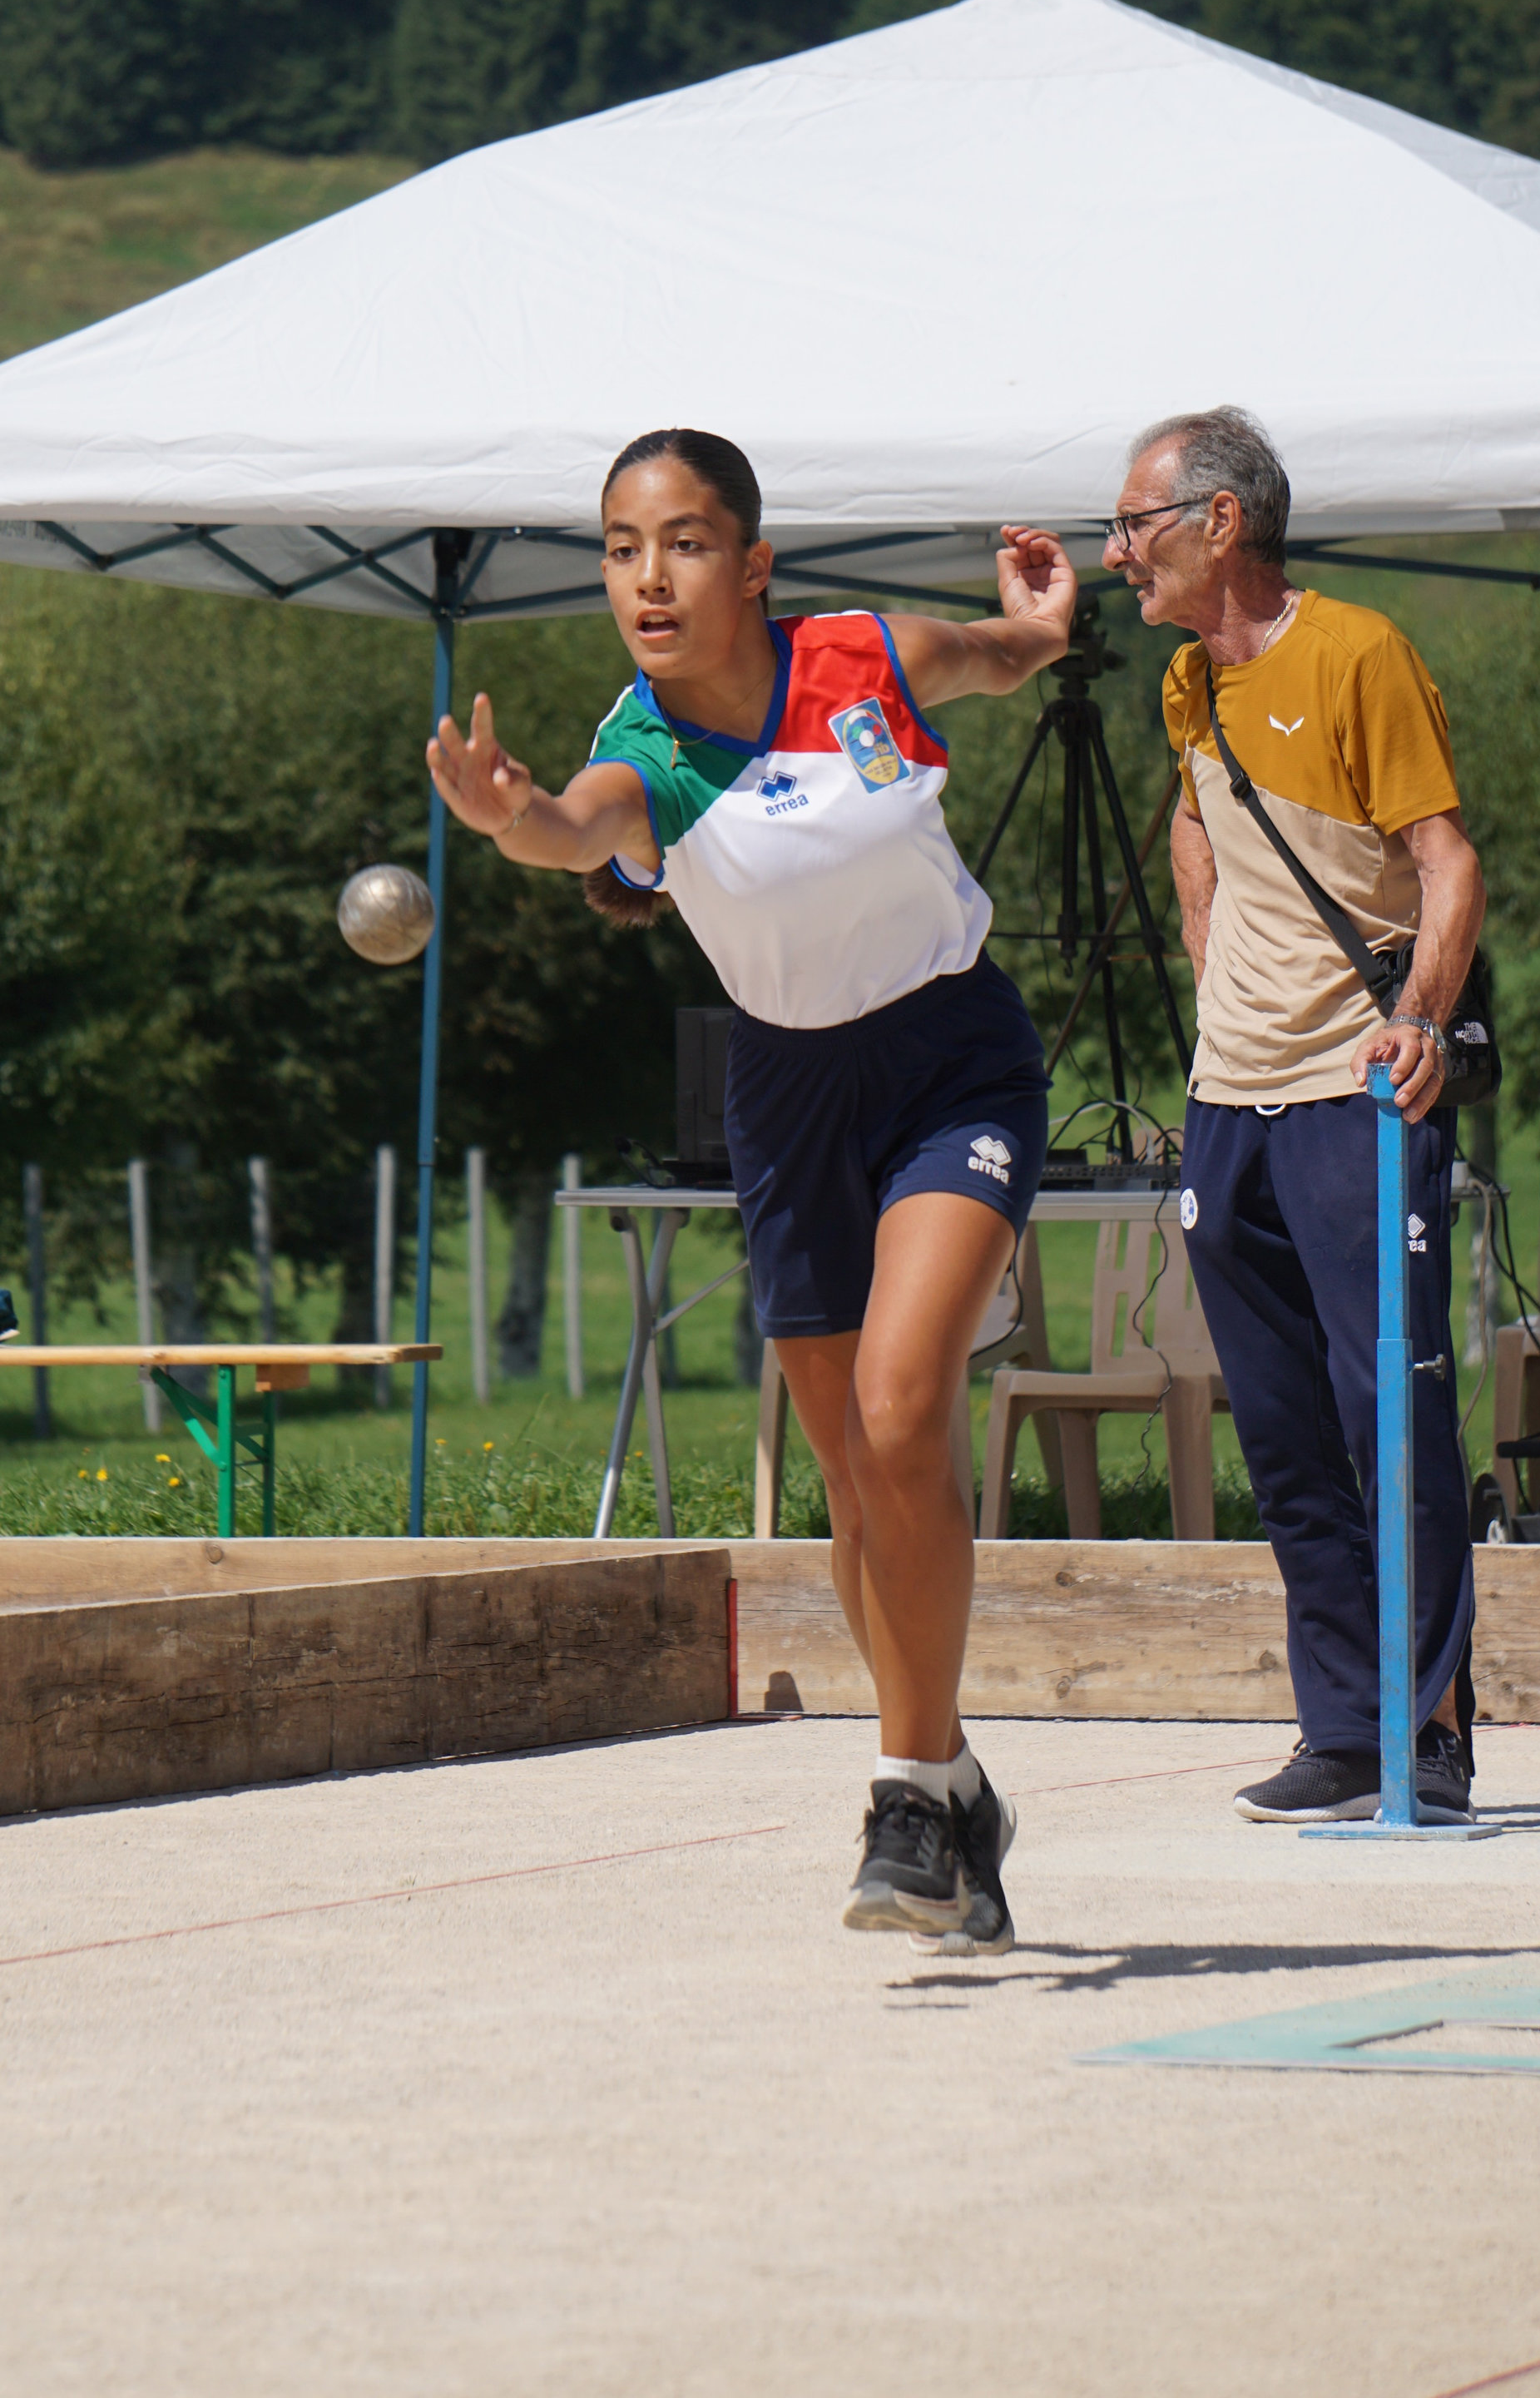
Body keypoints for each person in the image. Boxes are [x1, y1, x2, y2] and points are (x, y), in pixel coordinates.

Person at [428, 427, 1076, 1945]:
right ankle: (957, 1794)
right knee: (857, 1478)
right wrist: (508, 817)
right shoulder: (644, 748)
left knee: (906, 1412)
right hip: (786, 1097)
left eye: (686, 543)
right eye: (621, 550)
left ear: (755, 563)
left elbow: (994, 656)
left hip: (952, 1060)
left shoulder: (868, 659)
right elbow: (573, 826)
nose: (649, 579)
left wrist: (1044, 627)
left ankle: (904, 1795)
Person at [1102, 406, 1485, 1824]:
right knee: (1279, 1427)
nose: (1115, 551)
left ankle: (1429, 1727)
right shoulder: (1186, 682)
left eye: (1134, 522)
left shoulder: (1358, 653)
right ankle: (1341, 1727)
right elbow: (1197, 827)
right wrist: (1217, 989)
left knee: (1391, 1409)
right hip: (1231, 1097)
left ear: (1220, 524)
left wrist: (1421, 1020)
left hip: (1355, 1089)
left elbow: (1447, 865)